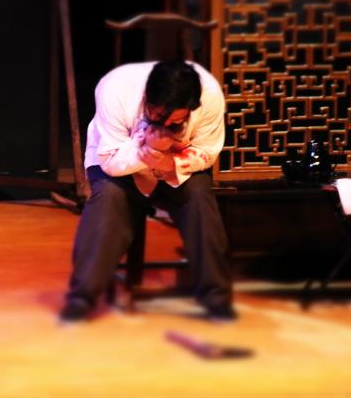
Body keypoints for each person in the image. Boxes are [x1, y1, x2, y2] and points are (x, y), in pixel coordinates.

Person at [59, 60, 235, 323]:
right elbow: (110, 160)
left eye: (175, 121)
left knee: (199, 196)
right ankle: (82, 296)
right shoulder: (115, 89)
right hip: (119, 164)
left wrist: (168, 162)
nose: (165, 124)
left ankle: (216, 296)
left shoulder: (210, 95)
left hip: (176, 166)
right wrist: (148, 151)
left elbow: (207, 152)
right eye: (158, 115)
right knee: (108, 198)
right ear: (147, 98)